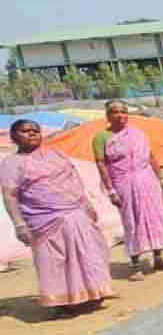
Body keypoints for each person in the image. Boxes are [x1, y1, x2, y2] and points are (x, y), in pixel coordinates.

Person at [1, 120, 113, 312]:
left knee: (89, 252)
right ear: (14, 137)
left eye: (35, 131)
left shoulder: (56, 155)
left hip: (76, 211)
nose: (32, 134)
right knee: (55, 261)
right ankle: (64, 301)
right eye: (25, 131)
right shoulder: (11, 164)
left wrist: (86, 204)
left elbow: (74, 179)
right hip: (44, 219)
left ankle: (94, 293)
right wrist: (19, 224)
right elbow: (10, 195)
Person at [92, 99, 163, 279]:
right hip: (123, 183)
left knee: (154, 217)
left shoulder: (138, 133)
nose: (120, 115)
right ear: (107, 116)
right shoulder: (101, 138)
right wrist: (111, 190)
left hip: (147, 181)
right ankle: (136, 264)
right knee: (131, 221)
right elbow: (101, 165)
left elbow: (150, 156)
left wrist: (161, 179)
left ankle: (158, 258)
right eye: (115, 112)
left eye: (123, 111)